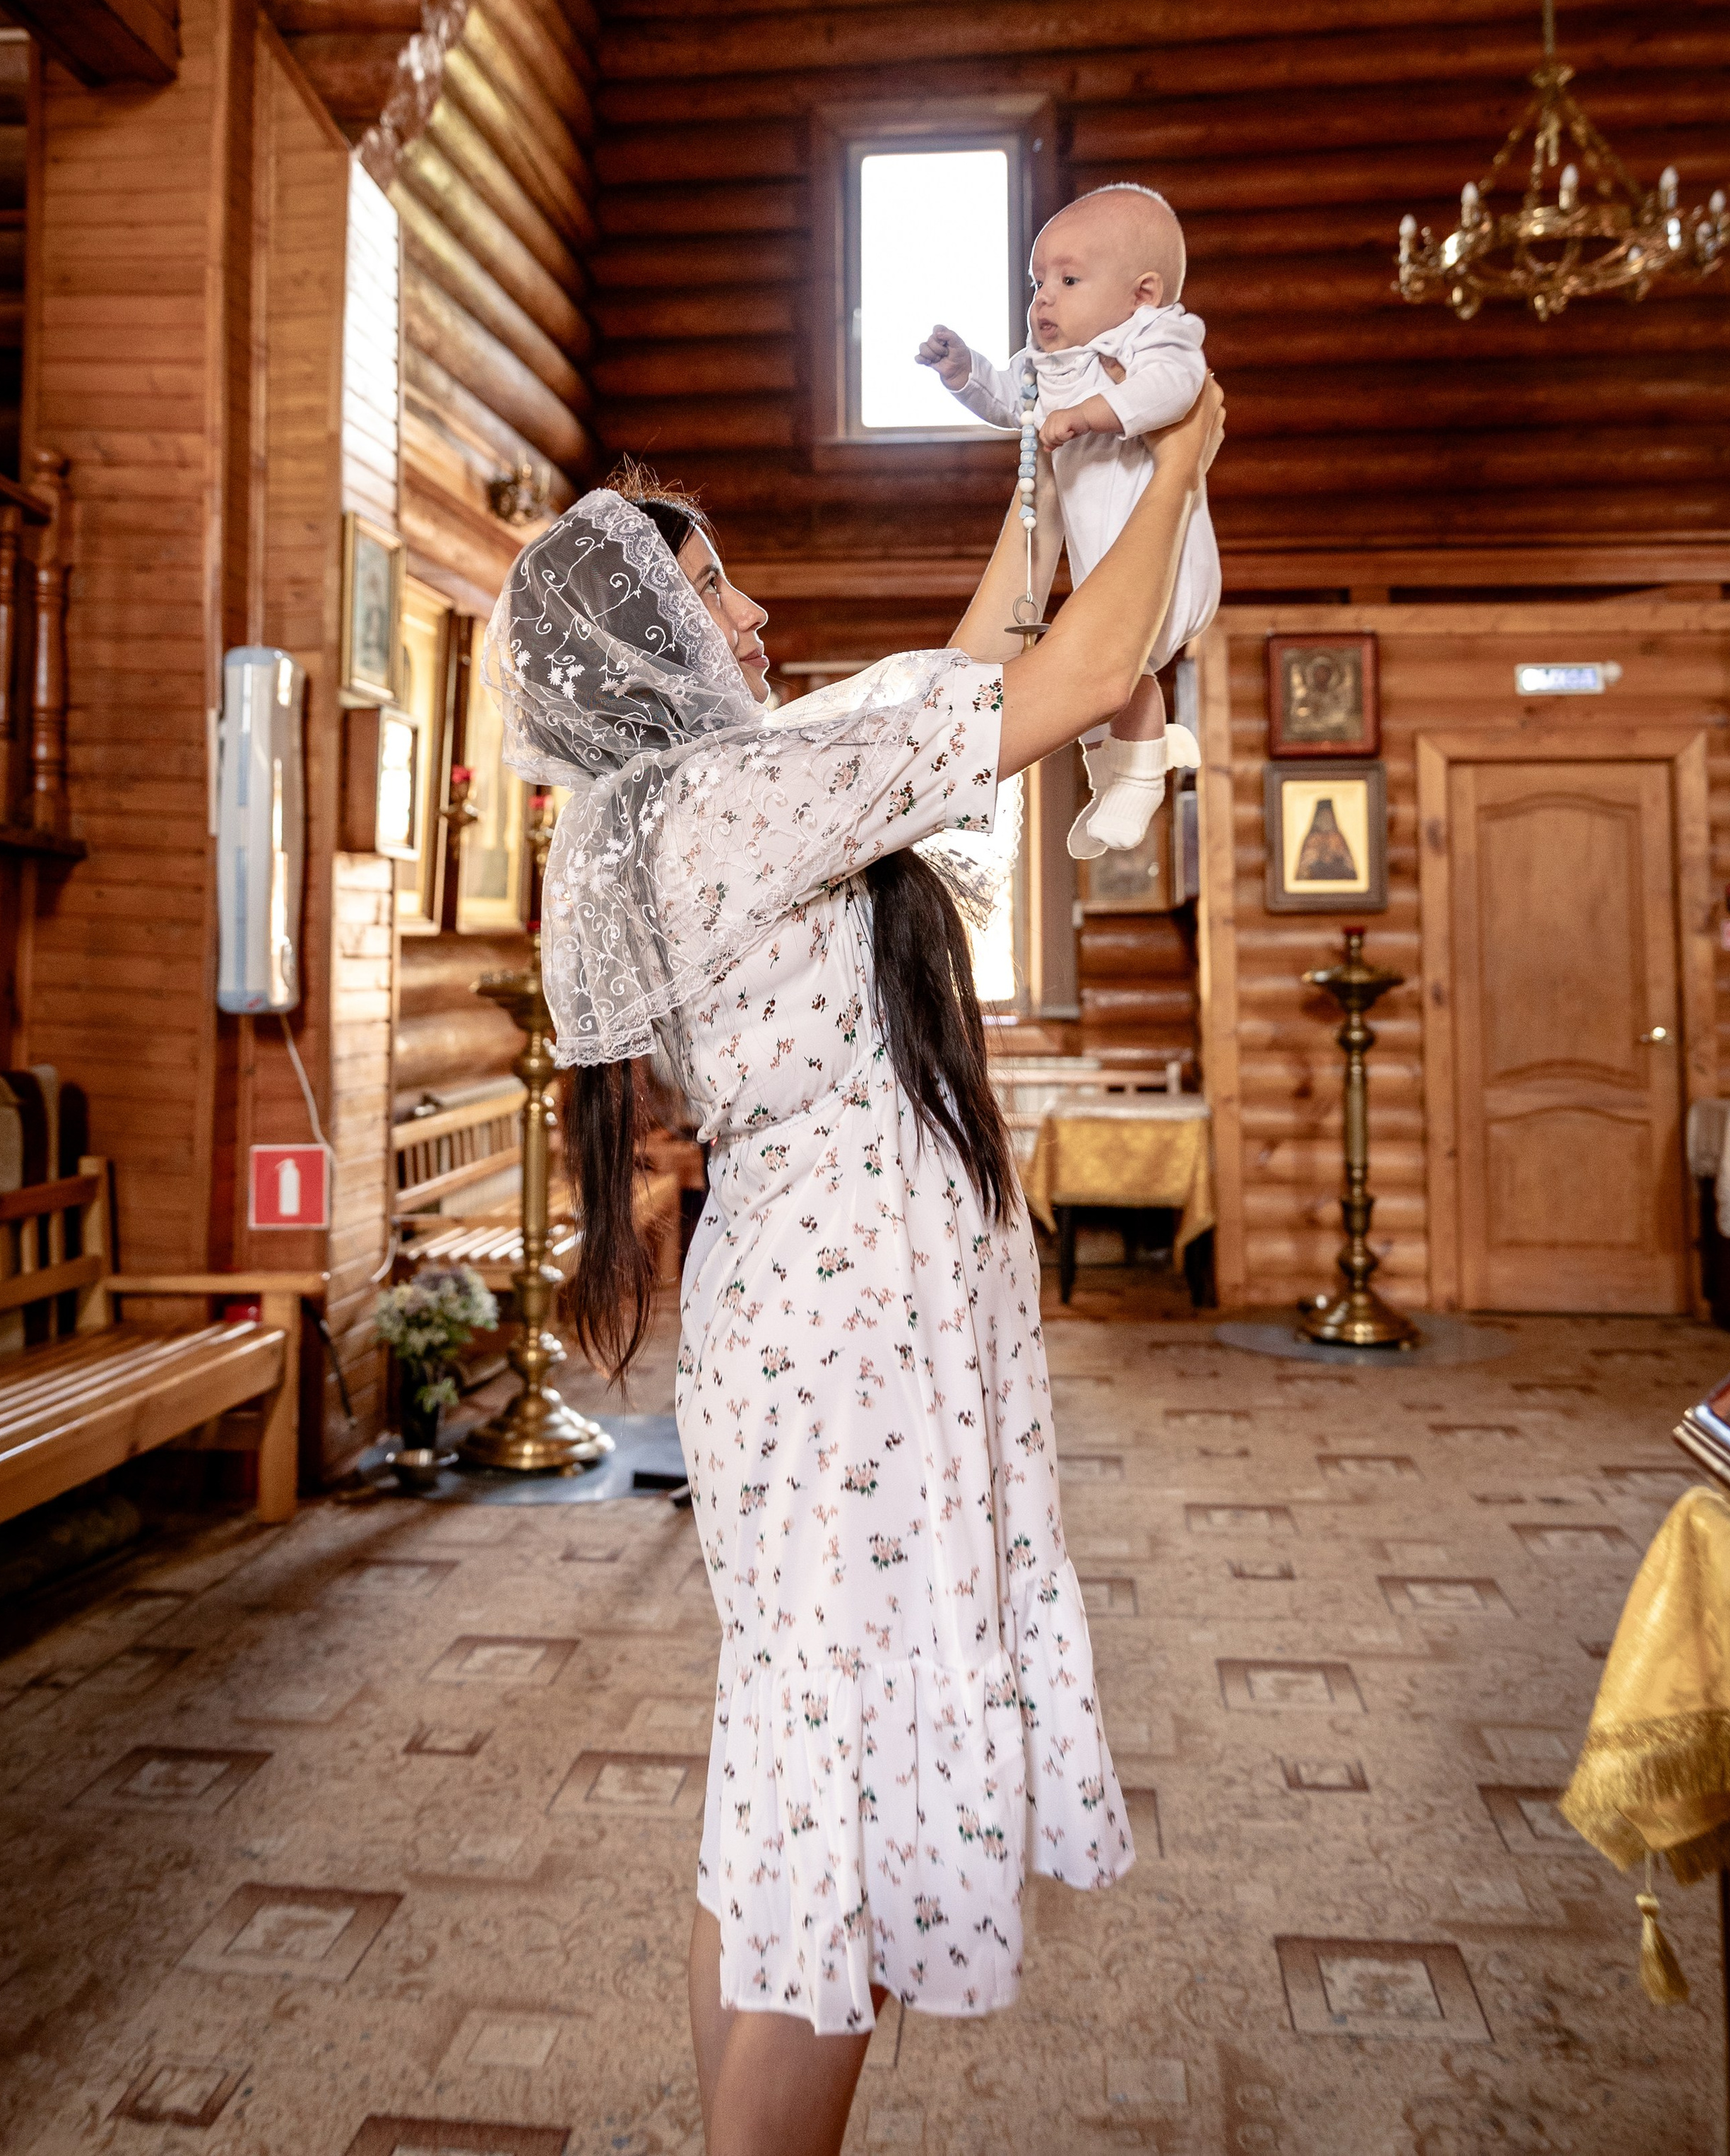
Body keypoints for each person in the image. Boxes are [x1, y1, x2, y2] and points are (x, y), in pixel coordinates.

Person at [482, 384, 1223, 2156]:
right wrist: (1185, 446)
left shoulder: (711, 793)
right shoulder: (739, 799)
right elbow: (1055, 678)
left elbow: (949, 679)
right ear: (644, 635)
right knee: (853, 1789)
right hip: (843, 1323)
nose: (751, 612)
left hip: (822, 1297)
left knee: (790, 1772)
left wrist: (1037, 493)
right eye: (711, 586)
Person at [916, 182, 1221, 858]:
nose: (1043, 297)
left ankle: (1137, 780)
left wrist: (1089, 416)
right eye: (1037, 282)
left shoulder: (1157, 338)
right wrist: (966, 374)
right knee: (1087, 667)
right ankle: (1113, 781)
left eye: (1068, 279)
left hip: (1164, 557)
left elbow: (1178, 389)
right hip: (1101, 559)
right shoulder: (1049, 366)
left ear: (1142, 295)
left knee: (1117, 660)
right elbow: (1009, 401)